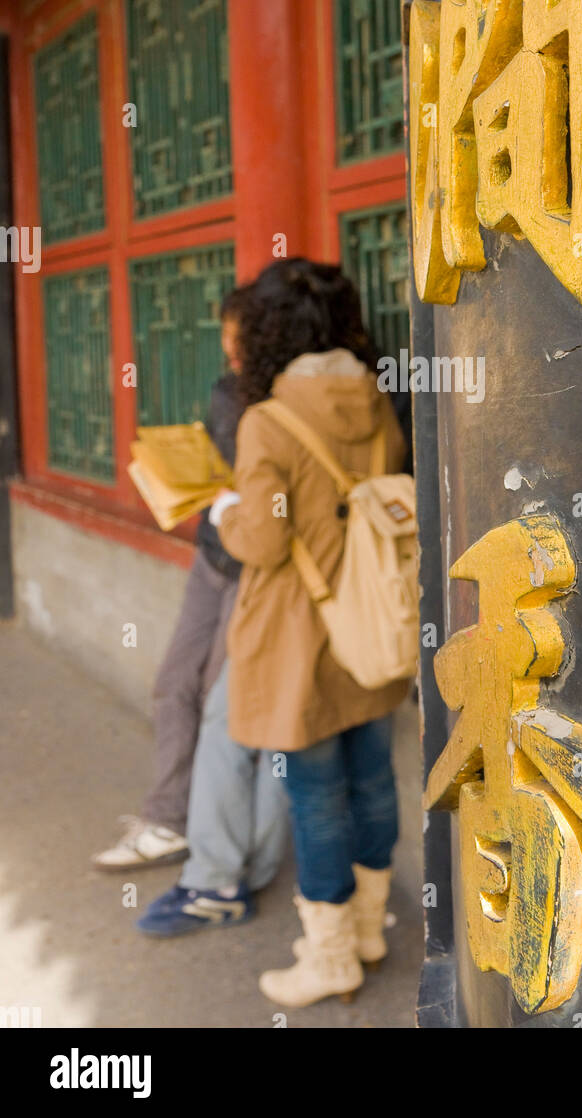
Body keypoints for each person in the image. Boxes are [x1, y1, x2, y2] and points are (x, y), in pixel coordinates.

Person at [212, 259, 410, 1007]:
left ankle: (329, 958)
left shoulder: (268, 420)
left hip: (301, 639)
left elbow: (263, 541)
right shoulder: (374, 398)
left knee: (315, 798)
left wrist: (222, 515)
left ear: (269, 332)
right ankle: (366, 928)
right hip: (371, 622)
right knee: (372, 779)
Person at [92, 287, 249, 871]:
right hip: (212, 557)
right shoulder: (227, 390)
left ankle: (212, 848)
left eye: (241, 342)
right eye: (226, 342)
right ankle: (166, 820)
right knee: (173, 682)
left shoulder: (283, 401)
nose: (231, 353)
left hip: (253, 568)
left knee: (217, 700)